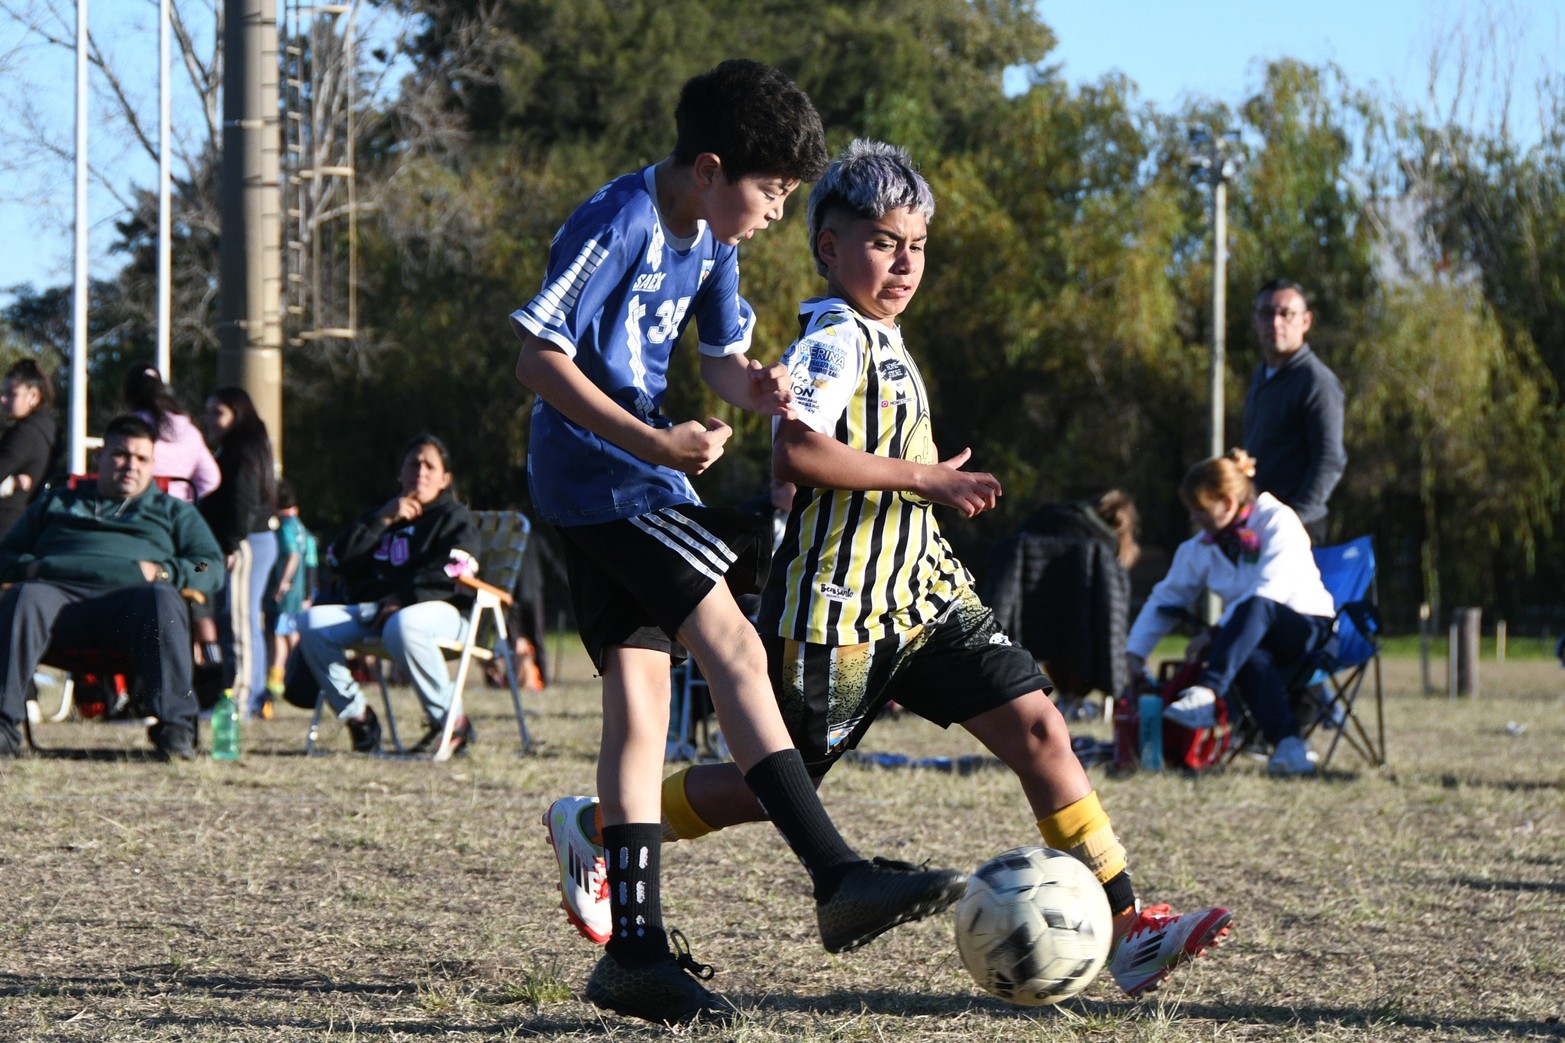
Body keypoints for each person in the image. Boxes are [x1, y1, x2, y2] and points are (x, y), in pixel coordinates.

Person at [540, 140, 1232, 1005]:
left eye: (916, 245)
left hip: (927, 595)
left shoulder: (881, 333)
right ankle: (598, 824)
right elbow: (795, 452)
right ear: (829, 248)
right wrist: (924, 477)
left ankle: (1128, 929)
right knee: (772, 785)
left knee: (1040, 729)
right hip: (839, 610)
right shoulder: (833, 337)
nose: (903, 263)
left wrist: (920, 481)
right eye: (881, 242)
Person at [512, 67, 965, 1027]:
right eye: (771, 192)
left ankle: (634, 954)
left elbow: (718, 356)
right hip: (603, 482)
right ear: (712, 170)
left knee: (640, 708)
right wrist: (652, 443)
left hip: (627, 480)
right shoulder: (617, 220)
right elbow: (538, 356)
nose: (775, 215)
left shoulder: (713, 238)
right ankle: (836, 875)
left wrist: (751, 388)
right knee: (736, 648)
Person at [0, 414, 223, 759]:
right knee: (23, 597)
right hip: (56, 602)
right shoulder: (56, 502)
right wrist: (29, 567)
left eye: (142, 458)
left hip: (135, 610)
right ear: (100, 456)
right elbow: (4, 554)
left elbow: (209, 564)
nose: (131, 465)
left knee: (162, 599)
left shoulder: (172, 511)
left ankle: (176, 729)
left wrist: (165, 572)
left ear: (152, 464)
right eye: (120, 454)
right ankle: (3, 728)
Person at [1125, 448, 1337, 776]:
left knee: (1258, 605)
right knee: (1249, 655)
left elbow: (1270, 589)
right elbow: (1166, 598)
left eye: (1200, 509)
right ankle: (1289, 746)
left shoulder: (1278, 521)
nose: (1193, 518)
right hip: (1248, 642)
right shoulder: (1199, 548)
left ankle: (1208, 691)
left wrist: (1214, 635)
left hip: (1309, 631)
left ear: (1226, 503)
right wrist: (1134, 654)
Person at [297, 435, 479, 756]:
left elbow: (456, 568)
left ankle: (453, 722)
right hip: (379, 613)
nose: (420, 472)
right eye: (413, 464)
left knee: (403, 623)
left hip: (445, 615)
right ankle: (360, 718)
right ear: (400, 473)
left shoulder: (455, 518)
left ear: (445, 478)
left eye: (430, 466)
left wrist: (402, 598)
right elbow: (337, 559)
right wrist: (382, 520)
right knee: (312, 623)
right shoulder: (384, 515)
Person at [985, 490, 1140, 720]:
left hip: (1028, 614)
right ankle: (1073, 698)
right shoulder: (1100, 546)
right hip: (1080, 624)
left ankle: (1064, 698)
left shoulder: (1046, 520)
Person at [1242, 278, 1347, 545]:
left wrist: (1294, 520)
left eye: (1286, 314)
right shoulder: (1261, 376)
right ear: (1255, 320)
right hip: (1258, 522)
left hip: (1297, 531)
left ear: (1306, 321)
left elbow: (1330, 460)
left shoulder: (1316, 382)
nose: (1276, 322)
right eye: (1267, 313)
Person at [199, 387, 278, 718]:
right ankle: (252, 696)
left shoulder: (242, 451)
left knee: (237, 622)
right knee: (243, 620)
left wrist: (231, 543)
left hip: (245, 544)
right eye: (208, 412)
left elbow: (243, 501)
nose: (209, 419)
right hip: (249, 541)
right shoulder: (240, 448)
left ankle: (241, 702)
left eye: (218, 413)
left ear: (238, 414)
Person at [121, 364, 221, 504]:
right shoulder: (191, 432)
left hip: (139, 507)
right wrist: (184, 498)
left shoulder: (130, 427)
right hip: (176, 510)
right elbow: (210, 478)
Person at [264, 479, 315, 701]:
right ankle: (298, 676)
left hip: (285, 595)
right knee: (291, 636)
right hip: (298, 594)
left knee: (278, 638)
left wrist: (282, 582)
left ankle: (275, 686)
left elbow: (293, 555)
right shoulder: (300, 526)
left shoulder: (285, 527)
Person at [0, 360, 60, 538]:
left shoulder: (25, 433)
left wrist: (9, 484)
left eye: (12, 394)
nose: (3, 399)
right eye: (3, 393)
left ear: (34, 396)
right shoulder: (48, 429)